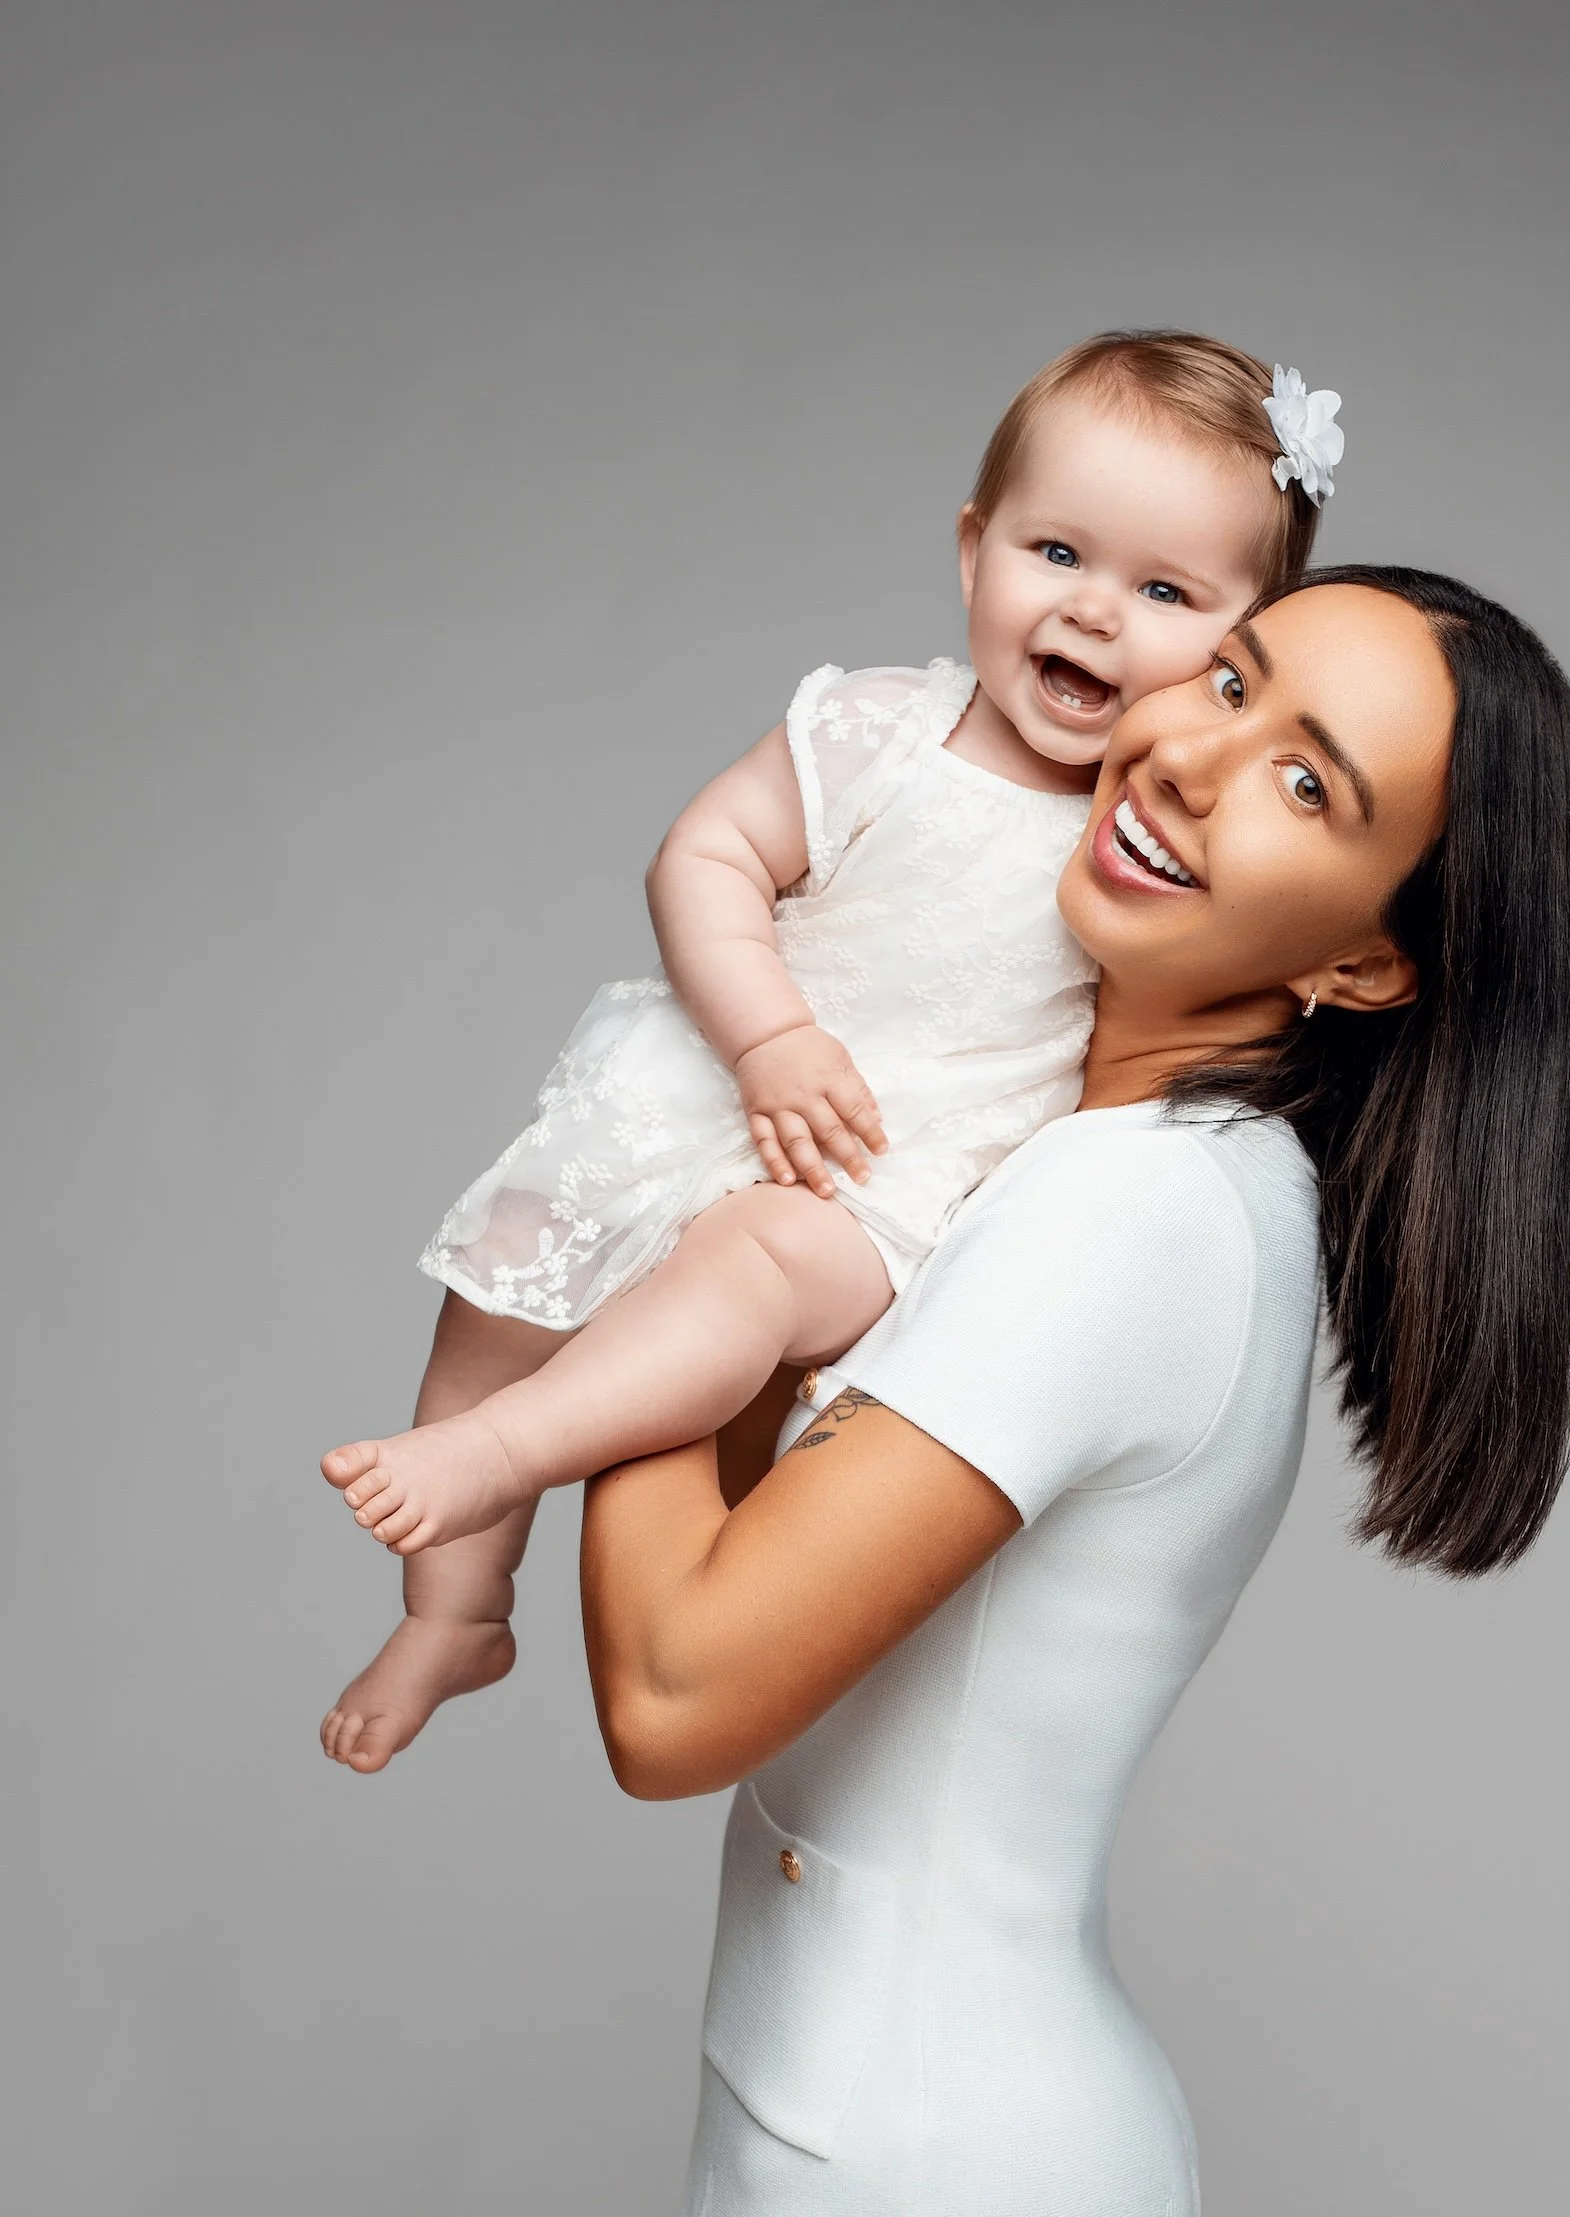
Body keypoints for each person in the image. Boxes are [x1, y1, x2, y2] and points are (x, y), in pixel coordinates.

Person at [579, 567, 1570, 2217]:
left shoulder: (1124, 1215)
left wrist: (661, 1235)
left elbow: (676, 1695)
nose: (1186, 753)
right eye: (1231, 677)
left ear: (1362, 959)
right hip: (943, 2162)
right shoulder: (1124, 1173)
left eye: (1307, 781)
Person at [318, 333, 1344, 1773]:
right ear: (975, 548)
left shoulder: (1150, 833)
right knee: (503, 1277)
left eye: (1167, 593)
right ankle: (457, 1609)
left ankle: (506, 1456)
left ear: (1241, 648)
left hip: (877, 1180)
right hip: (730, 1078)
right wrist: (768, 1035)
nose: (1098, 614)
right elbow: (707, 856)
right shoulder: (879, 724)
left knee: (742, 1269)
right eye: (1058, 552)